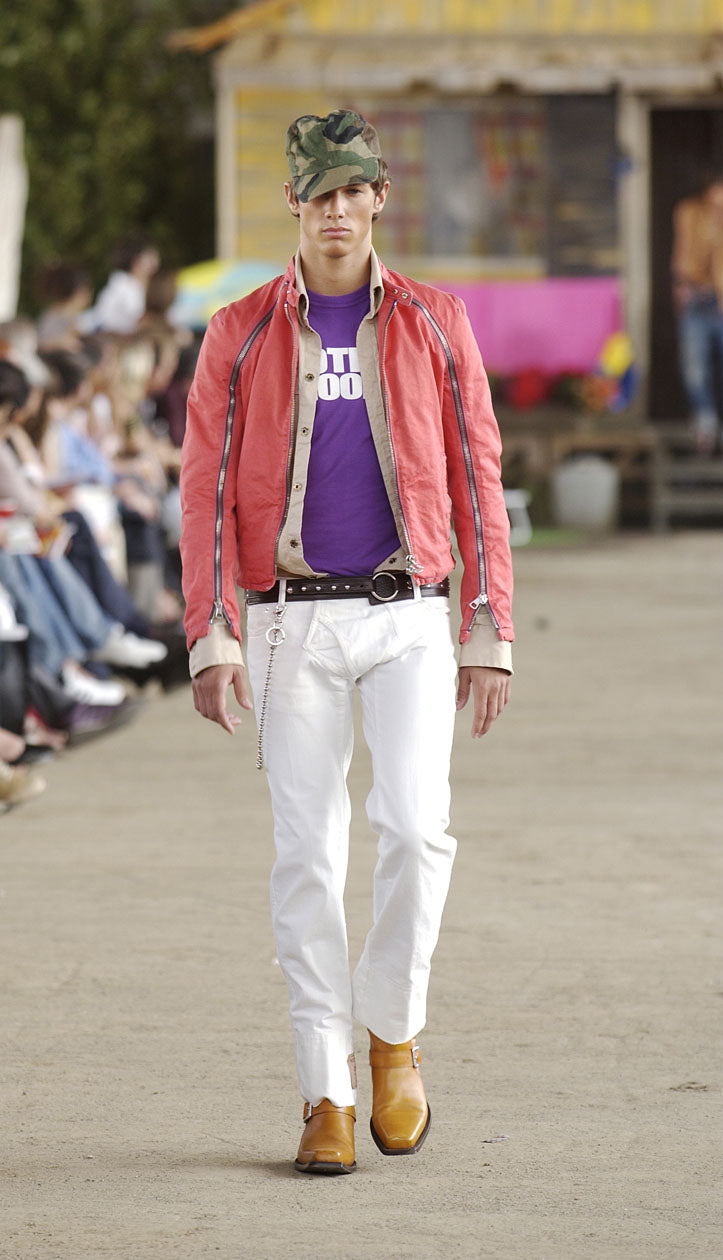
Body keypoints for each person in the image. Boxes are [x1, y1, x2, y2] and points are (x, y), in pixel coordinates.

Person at [180, 110, 514, 1175]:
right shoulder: (236, 331)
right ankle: (323, 1092)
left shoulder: (431, 319)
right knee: (306, 856)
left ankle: (393, 1038)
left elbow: (477, 474)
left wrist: (487, 624)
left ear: (377, 199)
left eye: (351, 192)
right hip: (284, 620)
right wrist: (209, 632)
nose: (334, 211)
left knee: (417, 831)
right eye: (316, 194)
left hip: (409, 609)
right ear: (294, 203)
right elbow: (197, 493)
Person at [671, 175, 723, 454]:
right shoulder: (690, 213)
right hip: (697, 297)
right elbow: (685, 255)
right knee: (695, 367)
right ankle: (705, 422)